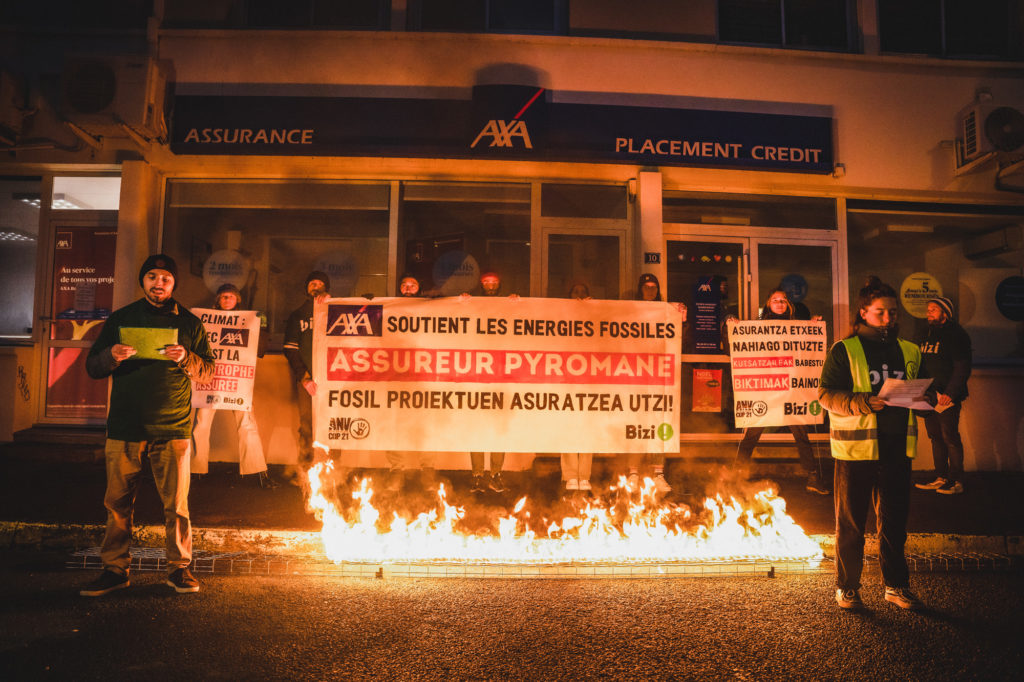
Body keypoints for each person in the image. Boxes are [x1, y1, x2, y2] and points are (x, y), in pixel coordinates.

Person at [81, 254, 215, 596]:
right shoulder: (122, 318)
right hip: (125, 426)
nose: (159, 283)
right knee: (117, 505)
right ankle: (114, 569)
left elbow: (209, 371)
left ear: (174, 284)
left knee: (177, 506)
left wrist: (187, 357)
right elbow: (93, 366)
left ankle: (179, 569)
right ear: (143, 281)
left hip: (172, 427)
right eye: (152, 276)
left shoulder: (189, 323)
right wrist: (112, 355)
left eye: (166, 278)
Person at [818, 276, 933, 611]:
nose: (889, 318)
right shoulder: (845, 350)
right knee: (851, 525)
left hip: (896, 449)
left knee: (894, 524)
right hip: (855, 452)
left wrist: (929, 399)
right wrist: (862, 402)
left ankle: (895, 586)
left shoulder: (910, 350)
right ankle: (847, 587)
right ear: (864, 312)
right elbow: (826, 395)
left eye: (893, 312)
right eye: (881, 312)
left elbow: (921, 391)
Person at [736, 288, 829, 495]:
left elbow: (808, 350)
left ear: (789, 305)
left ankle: (813, 476)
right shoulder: (756, 328)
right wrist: (732, 325)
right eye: (775, 300)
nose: (779, 303)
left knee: (801, 434)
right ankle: (736, 475)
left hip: (790, 390)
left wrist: (812, 328)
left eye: (783, 300)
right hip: (765, 390)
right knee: (752, 432)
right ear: (768, 304)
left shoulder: (797, 327)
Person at [191, 283, 275, 488]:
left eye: (231, 296)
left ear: (237, 300)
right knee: (201, 423)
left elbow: (260, 349)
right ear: (217, 300)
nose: (227, 299)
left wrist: (261, 326)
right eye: (223, 296)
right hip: (210, 378)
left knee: (246, 423)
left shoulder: (248, 320)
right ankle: (194, 471)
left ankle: (257, 472)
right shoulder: (205, 320)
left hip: (236, 380)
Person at [386, 275, 439, 493]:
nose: (408, 289)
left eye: (413, 285)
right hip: (397, 377)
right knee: (394, 424)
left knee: (426, 425)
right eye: (404, 286)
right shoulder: (389, 308)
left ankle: (428, 470)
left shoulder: (430, 309)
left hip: (423, 378)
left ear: (419, 288)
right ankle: (396, 470)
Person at [915, 296, 972, 496]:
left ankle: (956, 480)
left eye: (934, 309)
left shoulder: (956, 334)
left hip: (946, 397)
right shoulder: (925, 333)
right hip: (929, 396)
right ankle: (941, 477)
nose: (929, 312)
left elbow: (962, 367)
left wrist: (950, 393)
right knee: (935, 437)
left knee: (950, 437)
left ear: (945, 313)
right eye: (928, 309)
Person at [626, 273, 672, 493]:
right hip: (635, 376)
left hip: (659, 376)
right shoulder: (631, 310)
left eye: (654, 287)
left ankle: (658, 473)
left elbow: (679, 334)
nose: (650, 290)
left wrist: (680, 315)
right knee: (636, 426)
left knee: (659, 426)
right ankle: (633, 472)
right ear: (640, 289)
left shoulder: (665, 310)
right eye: (646, 286)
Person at [283, 271, 330, 482]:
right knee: (307, 425)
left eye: (320, 284)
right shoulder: (297, 315)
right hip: (308, 380)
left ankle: (331, 471)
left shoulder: (338, 311)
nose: (316, 287)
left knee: (334, 424)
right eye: (312, 283)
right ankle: (306, 470)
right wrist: (304, 377)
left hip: (334, 381)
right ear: (306, 288)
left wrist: (336, 304)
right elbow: (290, 349)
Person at [467, 271, 512, 493]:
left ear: (500, 284)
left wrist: (518, 305)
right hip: (477, 378)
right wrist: (462, 304)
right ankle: (477, 475)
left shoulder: (508, 306)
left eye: (494, 282)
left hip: (500, 379)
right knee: (477, 429)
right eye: (486, 282)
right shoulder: (472, 304)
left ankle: (495, 474)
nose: (490, 286)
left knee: (497, 430)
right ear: (481, 284)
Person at [561, 280, 595, 493]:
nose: (580, 296)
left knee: (587, 430)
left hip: (590, 381)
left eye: (583, 293)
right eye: (576, 292)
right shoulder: (562, 315)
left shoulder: (595, 315)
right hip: (566, 381)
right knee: (568, 429)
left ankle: (584, 476)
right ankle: (570, 475)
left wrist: (594, 309)